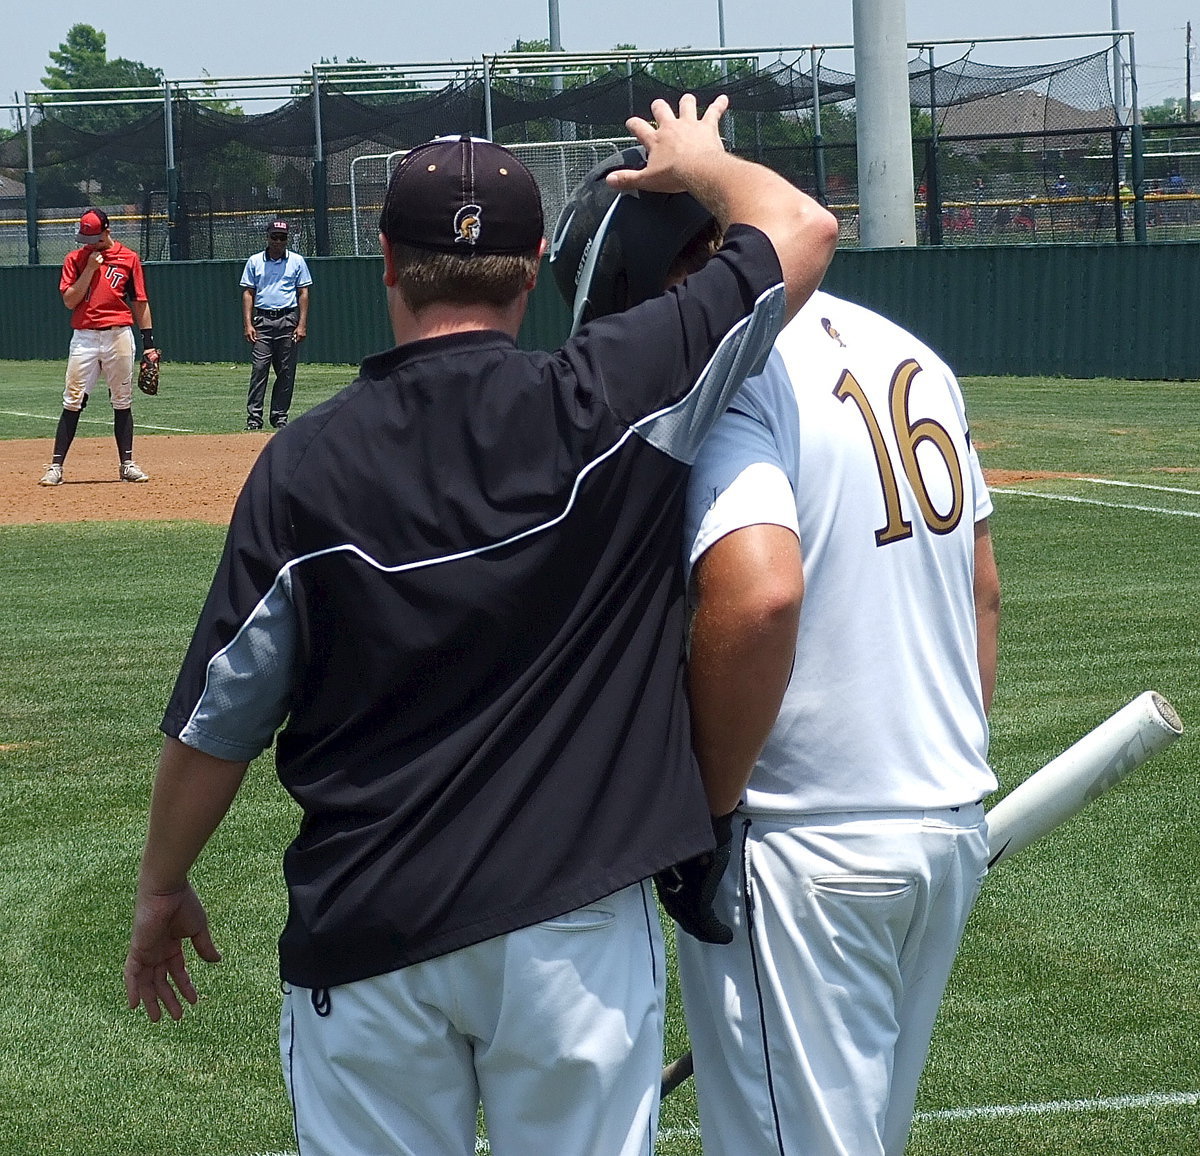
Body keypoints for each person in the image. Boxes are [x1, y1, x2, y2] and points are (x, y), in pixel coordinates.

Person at [123, 95, 838, 1156]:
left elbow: (220, 717)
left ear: (386, 260)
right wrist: (699, 162)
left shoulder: (305, 466)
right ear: (538, 255)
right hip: (577, 931)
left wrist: (164, 882)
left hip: (370, 930)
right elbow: (803, 229)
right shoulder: (614, 395)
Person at [673, 287, 1001, 1156]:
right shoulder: (911, 350)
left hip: (800, 840)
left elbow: (762, 596)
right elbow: (984, 594)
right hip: (944, 824)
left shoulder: (737, 364)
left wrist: (703, 813)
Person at [38, 208, 160, 486]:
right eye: (85, 238)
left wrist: (149, 344)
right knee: (73, 400)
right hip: (85, 337)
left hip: (119, 334)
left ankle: (127, 464)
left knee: (122, 400)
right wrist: (90, 268)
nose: (87, 243)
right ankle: (56, 467)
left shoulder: (129, 259)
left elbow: (140, 302)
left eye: (93, 236)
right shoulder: (75, 259)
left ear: (107, 230)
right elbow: (70, 300)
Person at [240, 219, 311, 430]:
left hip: (288, 319)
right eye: (274, 237)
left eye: (282, 238)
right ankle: (254, 418)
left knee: (286, 371)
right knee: (259, 368)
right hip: (262, 320)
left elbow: (303, 293)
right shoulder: (255, 261)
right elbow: (248, 293)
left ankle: (280, 416)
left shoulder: (297, 261)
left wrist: (302, 324)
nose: (278, 242)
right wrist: (248, 324)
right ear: (267, 237)